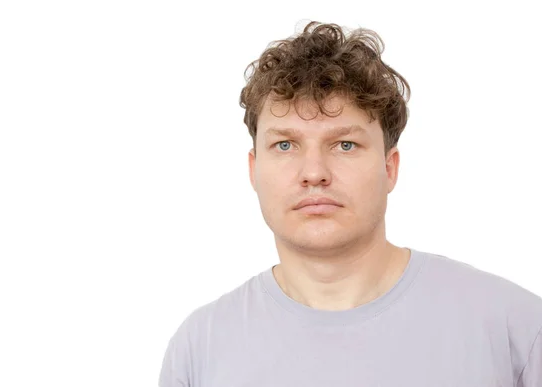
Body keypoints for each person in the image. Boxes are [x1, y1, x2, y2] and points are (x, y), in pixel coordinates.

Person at [158, 21, 542, 386]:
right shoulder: (199, 349)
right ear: (254, 170)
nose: (314, 172)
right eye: (285, 145)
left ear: (389, 168)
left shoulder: (514, 328)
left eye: (345, 145)